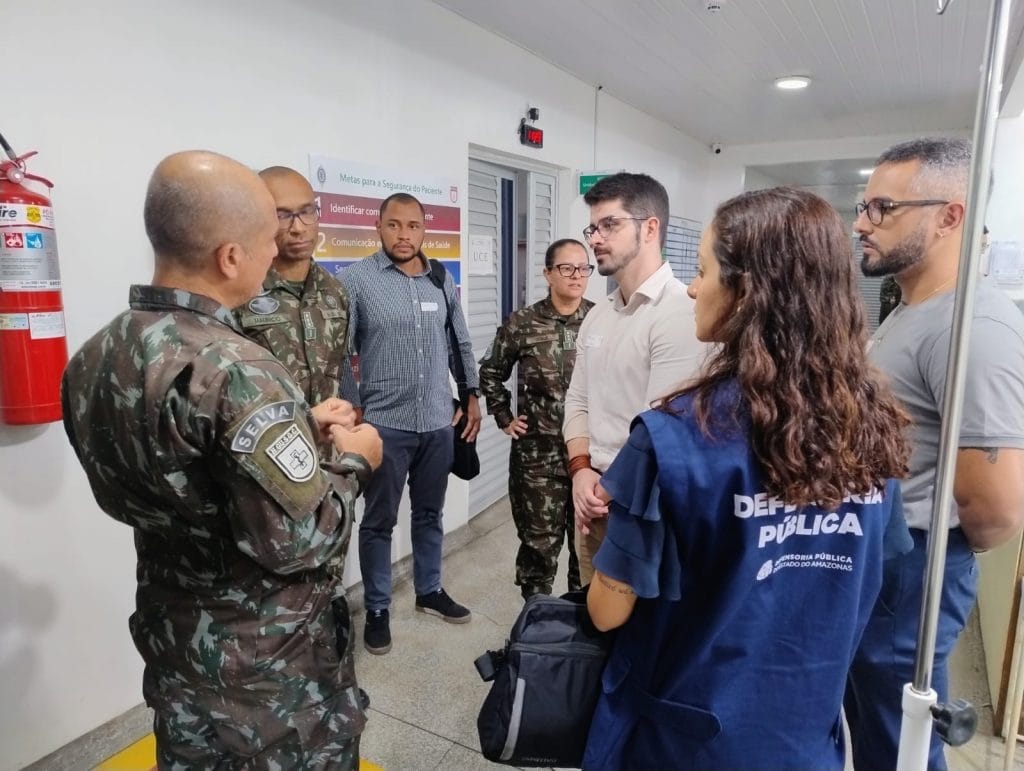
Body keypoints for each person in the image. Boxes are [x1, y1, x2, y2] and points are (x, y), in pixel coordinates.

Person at [61, 150, 383, 770]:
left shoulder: (97, 354)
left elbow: (175, 466)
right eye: (268, 237)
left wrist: (298, 429)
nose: (277, 250)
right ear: (231, 256)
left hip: (175, 642)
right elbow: (302, 541)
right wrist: (353, 460)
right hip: (270, 674)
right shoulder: (240, 369)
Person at [583, 187, 913, 770]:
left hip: (687, 736)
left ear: (747, 292)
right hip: (805, 734)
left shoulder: (674, 438)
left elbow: (609, 612)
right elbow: (873, 576)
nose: (691, 286)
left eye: (705, 270)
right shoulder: (872, 428)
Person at [846, 137, 1024, 770]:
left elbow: (996, 510)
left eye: (882, 208)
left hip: (916, 562)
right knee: (878, 731)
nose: (862, 224)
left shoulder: (969, 328)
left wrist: (929, 559)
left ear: (951, 214)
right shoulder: (913, 308)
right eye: (864, 207)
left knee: (903, 744)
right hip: (889, 552)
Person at [340, 192, 481, 655]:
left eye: (414, 226)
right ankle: (378, 606)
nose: (405, 235)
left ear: (425, 229)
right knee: (379, 521)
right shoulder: (358, 281)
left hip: (438, 421)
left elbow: (459, 338)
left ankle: (429, 590)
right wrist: (354, 406)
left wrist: (471, 394)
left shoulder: (441, 279)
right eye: (394, 225)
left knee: (429, 514)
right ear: (378, 228)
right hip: (384, 424)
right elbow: (342, 352)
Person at [563, 172, 705, 585]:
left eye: (610, 225)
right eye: (594, 227)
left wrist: (603, 489)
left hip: (643, 511)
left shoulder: (680, 312)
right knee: (595, 631)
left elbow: (663, 435)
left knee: (639, 638)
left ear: (650, 227)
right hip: (593, 499)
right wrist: (580, 471)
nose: (596, 238)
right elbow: (578, 401)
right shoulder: (599, 314)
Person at [478, 238, 595, 599]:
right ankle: (537, 632)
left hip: (591, 458)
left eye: (583, 268)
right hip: (537, 460)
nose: (576, 276)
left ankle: (581, 640)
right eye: (566, 268)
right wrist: (503, 416)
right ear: (548, 273)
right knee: (538, 551)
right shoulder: (523, 323)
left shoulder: (600, 319)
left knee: (587, 551)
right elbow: (491, 372)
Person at [236, 166, 349, 413]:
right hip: (265, 444)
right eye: (282, 215)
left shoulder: (335, 291)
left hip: (327, 446)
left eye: (307, 211)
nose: (298, 228)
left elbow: (339, 369)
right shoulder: (237, 293)